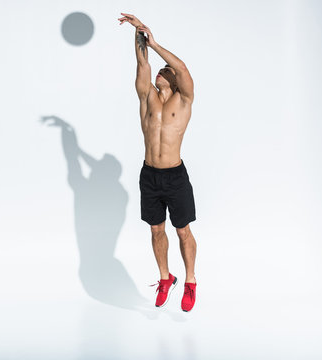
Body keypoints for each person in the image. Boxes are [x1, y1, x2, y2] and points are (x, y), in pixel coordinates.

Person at [118, 13, 197, 312]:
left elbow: (182, 66)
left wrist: (157, 43)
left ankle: (190, 281)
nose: (161, 71)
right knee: (156, 231)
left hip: (175, 176)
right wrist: (140, 34)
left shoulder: (184, 100)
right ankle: (166, 278)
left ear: (175, 80)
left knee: (183, 231)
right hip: (149, 176)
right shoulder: (147, 97)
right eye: (160, 69)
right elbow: (142, 64)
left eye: (166, 70)